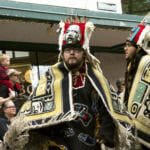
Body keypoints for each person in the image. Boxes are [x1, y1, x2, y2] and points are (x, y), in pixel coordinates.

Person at [2, 17, 132, 150]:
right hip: (57, 142)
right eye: (67, 49)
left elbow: (107, 109)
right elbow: (36, 106)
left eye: (76, 49)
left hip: (88, 141)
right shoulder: (51, 76)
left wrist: (106, 131)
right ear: (62, 53)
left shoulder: (96, 78)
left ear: (84, 52)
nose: (72, 52)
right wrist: (26, 130)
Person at [123, 23, 150, 149]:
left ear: (138, 47)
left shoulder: (145, 63)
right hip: (132, 130)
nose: (125, 48)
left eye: (128, 45)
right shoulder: (132, 66)